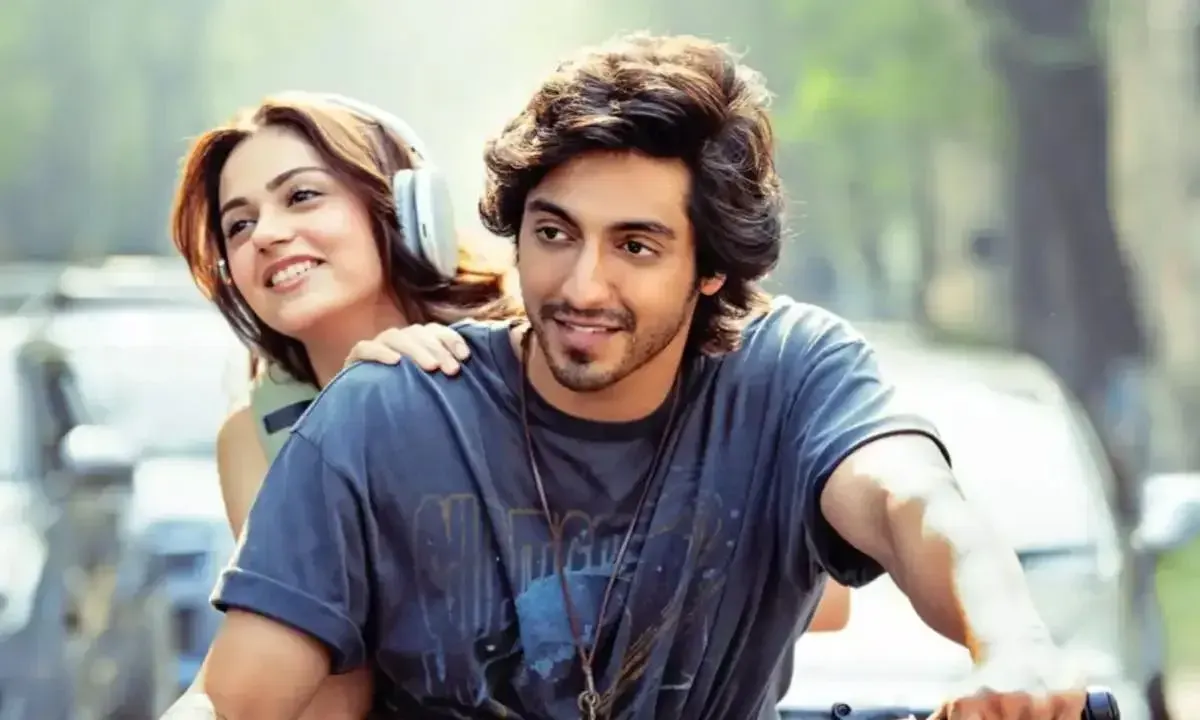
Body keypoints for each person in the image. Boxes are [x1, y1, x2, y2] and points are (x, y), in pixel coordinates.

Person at [172, 35, 1090, 720]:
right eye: (553, 233)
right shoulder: (380, 409)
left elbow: (908, 501)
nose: (582, 286)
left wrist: (1013, 645)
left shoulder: (788, 371)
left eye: (636, 246)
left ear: (712, 267)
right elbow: (238, 697)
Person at [168, 91, 519, 718]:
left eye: (302, 195)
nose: (266, 234)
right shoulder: (256, 436)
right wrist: (357, 428)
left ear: (405, 209)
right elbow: (330, 690)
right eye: (238, 225)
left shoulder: (520, 365)